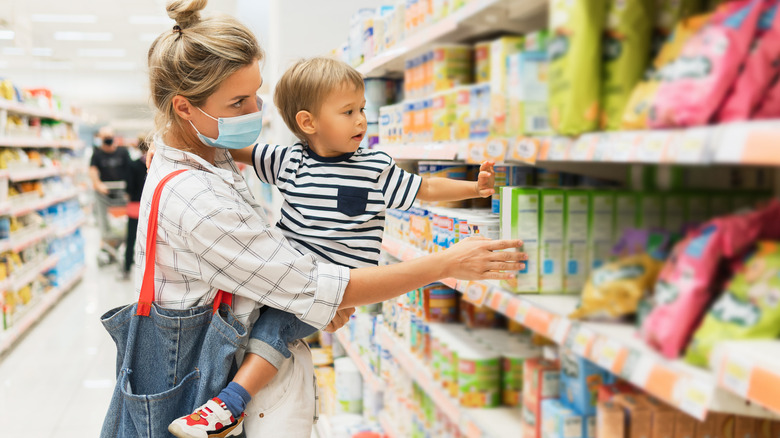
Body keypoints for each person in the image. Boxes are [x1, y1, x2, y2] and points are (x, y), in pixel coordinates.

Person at [132, 1, 525, 437]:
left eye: (256, 92)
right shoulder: (216, 188)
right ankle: (229, 405)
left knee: (280, 326)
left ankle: (230, 403)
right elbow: (308, 280)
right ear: (185, 109)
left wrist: (474, 188)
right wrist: (445, 263)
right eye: (240, 101)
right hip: (266, 324)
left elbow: (422, 188)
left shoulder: (368, 167)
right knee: (276, 329)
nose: (255, 109)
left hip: (315, 285)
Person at [89, 126, 132, 242]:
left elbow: (130, 169)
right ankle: (107, 242)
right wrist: (98, 184)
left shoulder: (123, 152)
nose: (108, 139)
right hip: (105, 194)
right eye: (105, 137)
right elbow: (92, 170)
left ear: (113, 137)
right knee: (105, 222)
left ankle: (125, 239)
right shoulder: (97, 154)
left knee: (124, 222)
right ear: (100, 138)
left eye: (109, 137)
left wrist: (129, 187)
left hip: (122, 193)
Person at [119, 136, 149, 281]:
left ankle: (126, 268)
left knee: (131, 238)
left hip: (134, 206)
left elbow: (128, 187)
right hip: (150, 207)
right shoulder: (155, 164)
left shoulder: (133, 165)